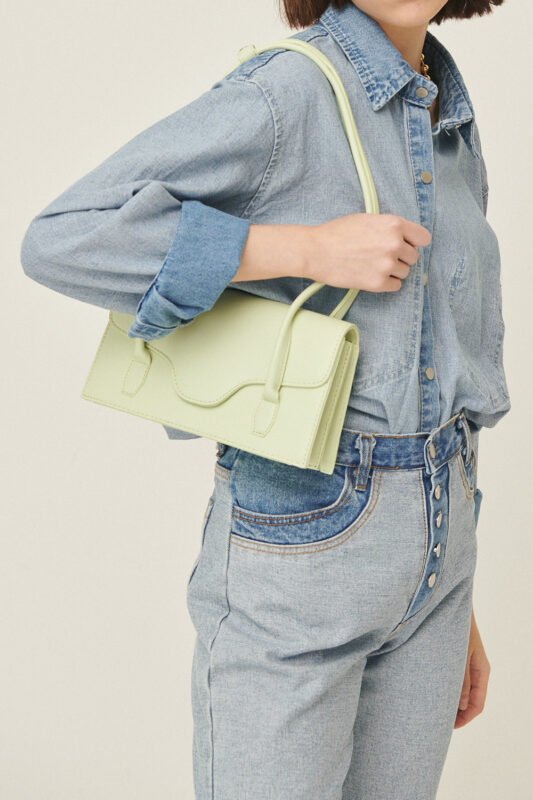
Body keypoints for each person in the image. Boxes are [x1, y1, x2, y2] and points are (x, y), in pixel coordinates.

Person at [19, 0, 510, 797]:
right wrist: (303, 249)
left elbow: (441, 370)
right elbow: (66, 235)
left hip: (436, 559)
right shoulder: (289, 90)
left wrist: (446, 593)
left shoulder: (446, 112)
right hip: (306, 530)